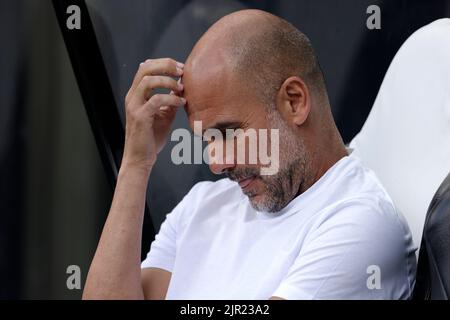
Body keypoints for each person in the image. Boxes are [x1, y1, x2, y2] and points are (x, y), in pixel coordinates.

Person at [83, 9, 416, 300]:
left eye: (228, 133)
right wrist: (136, 164)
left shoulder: (359, 223)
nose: (217, 163)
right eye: (208, 140)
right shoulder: (200, 206)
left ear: (295, 101)